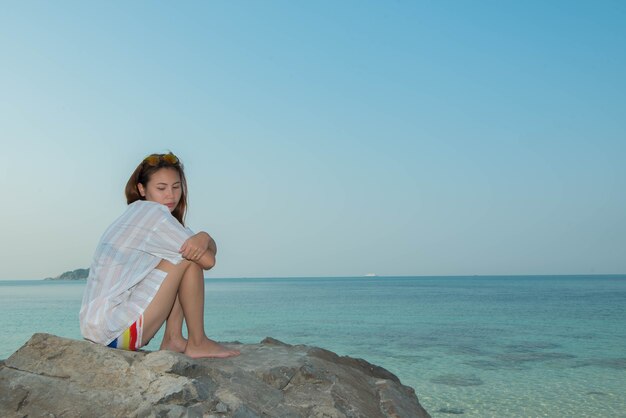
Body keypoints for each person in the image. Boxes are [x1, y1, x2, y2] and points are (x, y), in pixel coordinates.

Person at [79, 152, 240, 358]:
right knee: (187, 259)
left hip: (100, 329)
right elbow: (207, 260)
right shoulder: (154, 215)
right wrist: (204, 237)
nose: (171, 195)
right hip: (114, 331)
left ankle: (173, 338)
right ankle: (197, 342)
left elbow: (203, 252)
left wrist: (203, 238)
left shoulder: (137, 212)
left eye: (176, 187)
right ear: (142, 189)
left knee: (184, 255)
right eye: (161, 188)